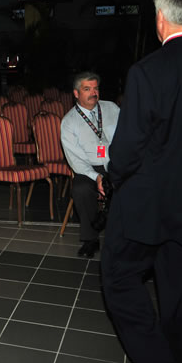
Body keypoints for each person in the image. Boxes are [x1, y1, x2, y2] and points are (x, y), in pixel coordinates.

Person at [102, 0, 182, 363]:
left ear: (161, 18)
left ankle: (156, 360)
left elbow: (130, 143)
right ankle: (175, 357)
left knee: (118, 275)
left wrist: (112, 179)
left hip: (146, 201)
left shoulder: (148, 70)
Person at [60, 71, 120, 258]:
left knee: (135, 181)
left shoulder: (111, 108)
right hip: (88, 168)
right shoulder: (69, 122)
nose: (93, 93)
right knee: (81, 189)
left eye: (96, 88)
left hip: (116, 163)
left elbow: (127, 137)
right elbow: (76, 161)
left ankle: (125, 236)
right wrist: (98, 177)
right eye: (87, 89)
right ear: (76, 94)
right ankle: (90, 239)